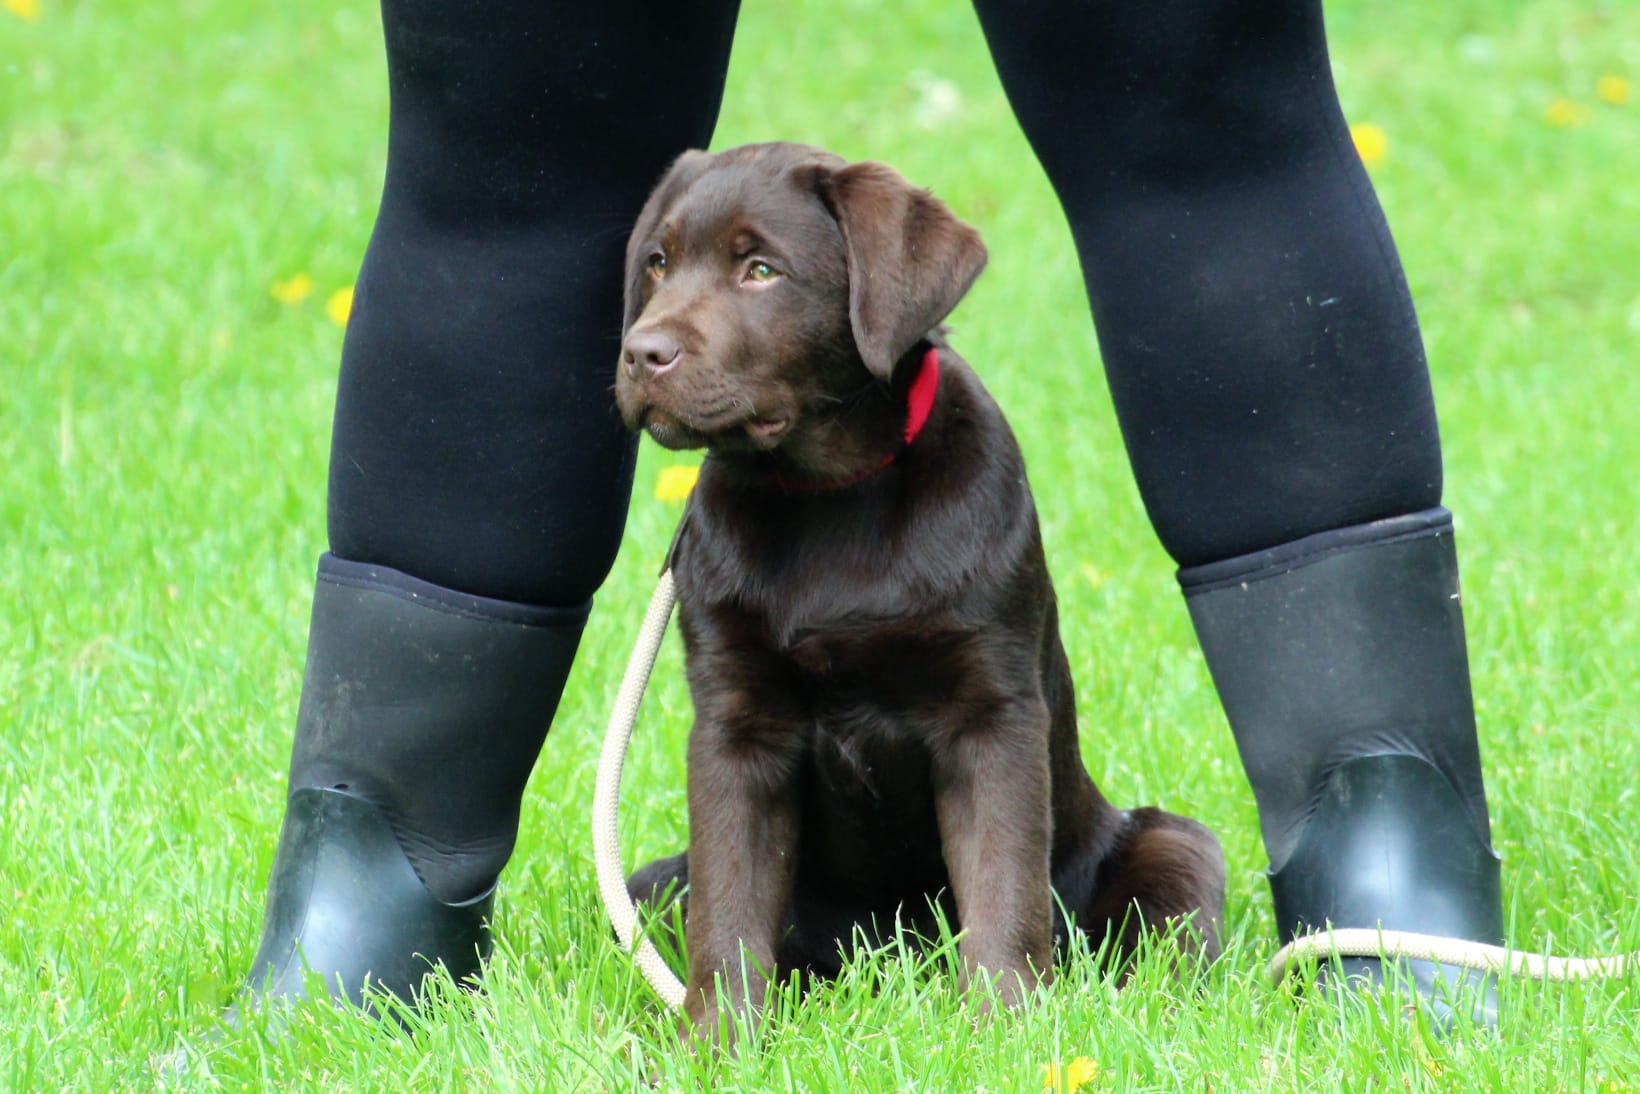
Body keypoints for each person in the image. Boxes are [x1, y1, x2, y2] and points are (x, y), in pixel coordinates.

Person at [237, 0, 1502, 1024]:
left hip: (1022, 829)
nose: (652, 325)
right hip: (809, 849)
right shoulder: (731, 495)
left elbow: (992, 717)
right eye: (659, 275)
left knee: (1182, 69)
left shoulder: (956, 464)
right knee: (518, 114)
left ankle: (1384, 853)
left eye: (746, 270)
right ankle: (371, 885)